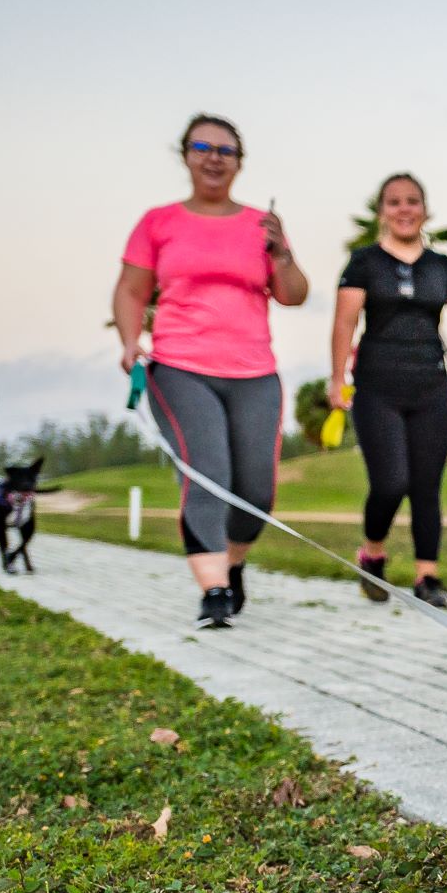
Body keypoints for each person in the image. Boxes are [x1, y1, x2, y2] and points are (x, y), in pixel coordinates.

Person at [112, 114, 310, 628]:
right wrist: (131, 343)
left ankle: (232, 563)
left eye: (226, 150)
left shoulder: (258, 226)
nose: (214, 157)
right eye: (203, 146)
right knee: (207, 474)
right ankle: (214, 590)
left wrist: (282, 252)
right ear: (186, 155)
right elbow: (132, 291)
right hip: (180, 367)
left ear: (239, 162)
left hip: (254, 372)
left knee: (257, 491)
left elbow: (293, 296)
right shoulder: (159, 222)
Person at [329, 173, 447, 609]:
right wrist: (337, 379)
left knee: (427, 486)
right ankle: (372, 554)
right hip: (376, 388)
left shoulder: (441, 266)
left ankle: (428, 576)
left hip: (430, 388)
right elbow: (344, 323)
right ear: (381, 211)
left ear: (424, 209)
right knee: (390, 483)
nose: (403, 209)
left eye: (412, 201)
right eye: (393, 202)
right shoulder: (364, 262)